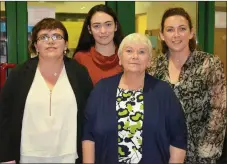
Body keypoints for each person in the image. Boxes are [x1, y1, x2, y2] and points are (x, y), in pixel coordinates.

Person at [82, 33, 187, 164]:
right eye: (129, 51)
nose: (135, 56)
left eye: (142, 52)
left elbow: (178, 139)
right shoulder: (102, 89)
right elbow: (88, 136)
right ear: (120, 58)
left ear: (149, 60)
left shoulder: (163, 92)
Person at [0, 18, 93, 163]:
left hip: (68, 155)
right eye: (44, 37)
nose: (51, 41)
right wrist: (6, 157)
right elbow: (4, 116)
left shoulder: (79, 73)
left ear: (66, 44)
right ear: (36, 45)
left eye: (57, 36)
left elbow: (89, 116)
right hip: (28, 156)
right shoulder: (19, 74)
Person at [147, 7, 226, 164]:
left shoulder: (209, 64)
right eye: (170, 30)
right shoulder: (153, 67)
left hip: (200, 154)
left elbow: (219, 111)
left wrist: (206, 154)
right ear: (162, 35)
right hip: (163, 152)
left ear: (191, 33)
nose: (176, 35)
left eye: (182, 29)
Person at [73, 4, 124, 85]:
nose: (103, 31)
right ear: (89, 29)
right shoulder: (80, 59)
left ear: (116, 26)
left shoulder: (127, 56)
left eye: (108, 24)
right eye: (96, 26)